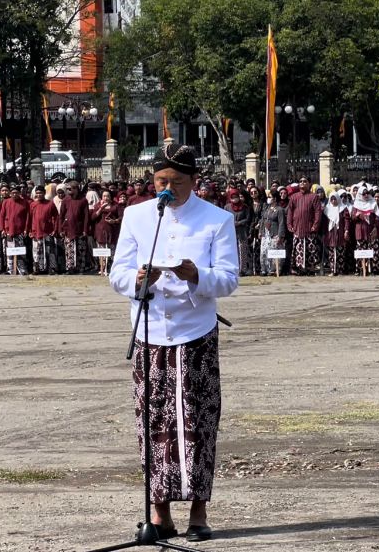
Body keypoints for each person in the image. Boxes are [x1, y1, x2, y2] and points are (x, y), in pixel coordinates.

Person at [109, 143, 239, 542]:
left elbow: (229, 278)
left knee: (198, 423)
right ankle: (159, 513)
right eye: (161, 181)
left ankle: (199, 514)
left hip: (194, 335)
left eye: (176, 182)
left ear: (193, 182)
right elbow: (118, 274)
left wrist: (195, 275)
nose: (167, 189)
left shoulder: (216, 219)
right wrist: (138, 280)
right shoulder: (136, 216)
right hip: (150, 335)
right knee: (154, 425)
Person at [286, 176, 322, 275]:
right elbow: (290, 212)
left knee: (311, 250)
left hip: (309, 228)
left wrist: (315, 225)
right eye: (300, 181)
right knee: (297, 250)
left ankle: (311, 269)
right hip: (297, 228)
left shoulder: (314, 197)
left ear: (309, 183)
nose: (302, 183)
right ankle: (298, 269)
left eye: (305, 181)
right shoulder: (294, 197)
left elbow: (318, 213)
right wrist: (289, 224)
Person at [59, 180, 91, 274]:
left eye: (70, 189)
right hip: (68, 229)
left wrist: (85, 229)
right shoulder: (66, 200)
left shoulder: (83, 200)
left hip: (80, 229)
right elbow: (61, 215)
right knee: (69, 250)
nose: (68, 191)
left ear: (76, 189)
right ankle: (70, 268)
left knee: (81, 250)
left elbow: (86, 216)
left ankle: (81, 268)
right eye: (67, 189)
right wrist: (61, 229)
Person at [0, 185, 31, 275]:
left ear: (19, 193)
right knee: (10, 251)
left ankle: (22, 269)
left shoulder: (24, 202)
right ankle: (10, 269)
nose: (14, 194)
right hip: (9, 230)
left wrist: (26, 229)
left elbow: (28, 217)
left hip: (20, 230)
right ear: (10, 193)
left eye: (16, 193)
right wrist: (2, 229)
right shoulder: (6, 202)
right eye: (12, 193)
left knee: (20, 250)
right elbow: (2, 215)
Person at [28, 184, 59, 274]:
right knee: (36, 252)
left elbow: (56, 216)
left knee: (49, 251)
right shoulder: (32, 204)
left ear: (44, 193)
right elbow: (29, 218)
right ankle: (37, 269)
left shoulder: (50, 204)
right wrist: (30, 230)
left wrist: (55, 229)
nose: (39, 195)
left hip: (47, 231)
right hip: (36, 231)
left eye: (40, 193)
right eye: (37, 193)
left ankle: (51, 269)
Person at [92, 190, 122, 276]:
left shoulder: (115, 206)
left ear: (110, 197)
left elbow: (120, 217)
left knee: (111, 251)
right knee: (101, 251)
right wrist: (101, 208)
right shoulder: (97, 206)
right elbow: (93, 217)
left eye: (107, 196)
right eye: (104, 196)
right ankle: (102, 268)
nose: (106, 198)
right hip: (100, 231)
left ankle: (110, 269)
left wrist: (114, 221)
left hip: (111, 231)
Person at [258, 191, 287, 276]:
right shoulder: (267, 208)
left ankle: (274, 269)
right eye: (268, 197)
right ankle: (264, 269)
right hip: (265, 234)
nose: (268, 199)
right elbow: (263, 220)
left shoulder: (280, 210)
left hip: (275, 233)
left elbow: (281, 223)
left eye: (270, 197)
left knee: (274, 251)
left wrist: (280, 235)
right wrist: (260, 231)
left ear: (274, 198)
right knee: (264, 252)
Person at [323, 190, 350, 276]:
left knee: (340, 252)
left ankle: (340, 271)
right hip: (330, 233)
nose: (334, 201)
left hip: (340, 232)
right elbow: (324, 223)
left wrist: (346, 230)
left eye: (335, 199)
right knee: (332, 253)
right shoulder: (327, 209)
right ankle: (333, 271)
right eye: (332, 199)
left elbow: (347, 220)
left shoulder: (343, 208)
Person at [226, 190, 253, 276]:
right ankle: (232, 269)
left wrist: (238, 223)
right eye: (233, 197)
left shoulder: (244, 207)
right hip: (230, 232)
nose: (235, 199)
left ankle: (243, 270)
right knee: (231, 251)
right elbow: (224, 218)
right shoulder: (227, 207)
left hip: (242, 232)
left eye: (236, 197)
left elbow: (248, 218)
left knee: (242, 251)